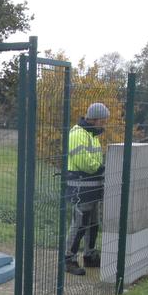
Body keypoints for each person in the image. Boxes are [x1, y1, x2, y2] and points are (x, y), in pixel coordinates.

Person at [64, 102, 110, 275]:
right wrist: (100, 168)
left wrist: (99, 167)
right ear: (95, 119)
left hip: (92, 186)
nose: (104, 124)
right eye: (103, 120)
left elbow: (95, 160)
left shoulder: (91, 135)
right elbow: (85, 162)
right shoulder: (78, 133)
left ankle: (89, 255)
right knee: (80, 223)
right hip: (80, 186)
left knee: (92, 224)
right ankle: (68, 259)